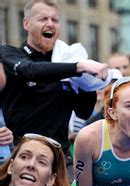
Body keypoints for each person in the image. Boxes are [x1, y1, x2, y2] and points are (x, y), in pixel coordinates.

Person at [0, 0, 108, 150]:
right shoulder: (10, 54)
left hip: (60, 156)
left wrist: (87, 82)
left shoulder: (66, 61)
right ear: (26, 24)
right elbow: (31, 71)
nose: (50, 24)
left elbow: (84, 112)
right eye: (43, 19)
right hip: (22, 154)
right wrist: (79, 66)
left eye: (55, 20)